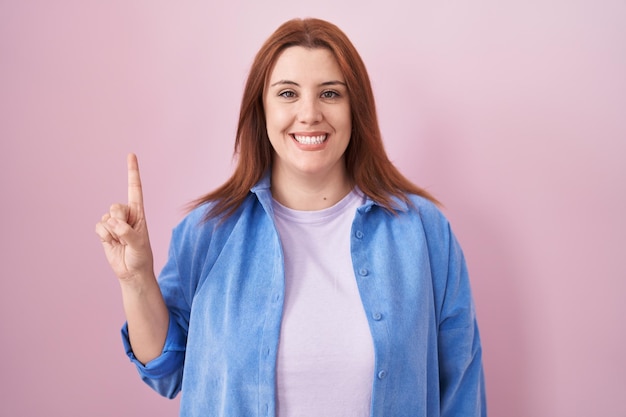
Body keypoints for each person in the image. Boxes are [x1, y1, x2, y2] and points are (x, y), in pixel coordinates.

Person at [95, 17, 486, 417]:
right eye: (287, 93)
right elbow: (166, 373)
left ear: (356, 109)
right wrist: (136, 279)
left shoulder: (423, 232)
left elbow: (461, 388)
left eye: (330, 93)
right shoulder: (208, 232)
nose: (310, 113)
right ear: (261, 110)